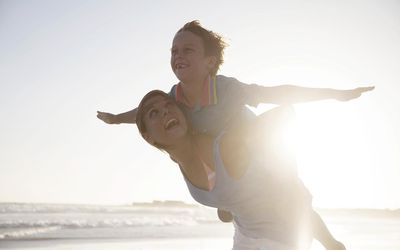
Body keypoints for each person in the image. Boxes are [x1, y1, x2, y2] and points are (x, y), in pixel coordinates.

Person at [97, 20, 373, 249]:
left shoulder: (228, 90)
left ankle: (331, 243)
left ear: (209, 62)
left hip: (262, 151)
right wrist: (116, 119)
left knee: (295, 199)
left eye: (188, 50)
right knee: (230, 189)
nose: (178, 55)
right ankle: (230, 203)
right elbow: (144, 112)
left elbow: (277, 93)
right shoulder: (174, 99)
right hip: (227, 165)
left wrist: (335, 95)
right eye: (174, 50)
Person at [134, 90, 339, 250]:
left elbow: (284, 113)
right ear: (148, 137)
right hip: (246, 236)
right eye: (155, 112)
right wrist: (227, 204)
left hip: (283, 236)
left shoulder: (228, 147)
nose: (166, 111)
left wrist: (287, 181)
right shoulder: (178, 156)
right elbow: (228, 188)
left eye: (169, 105)